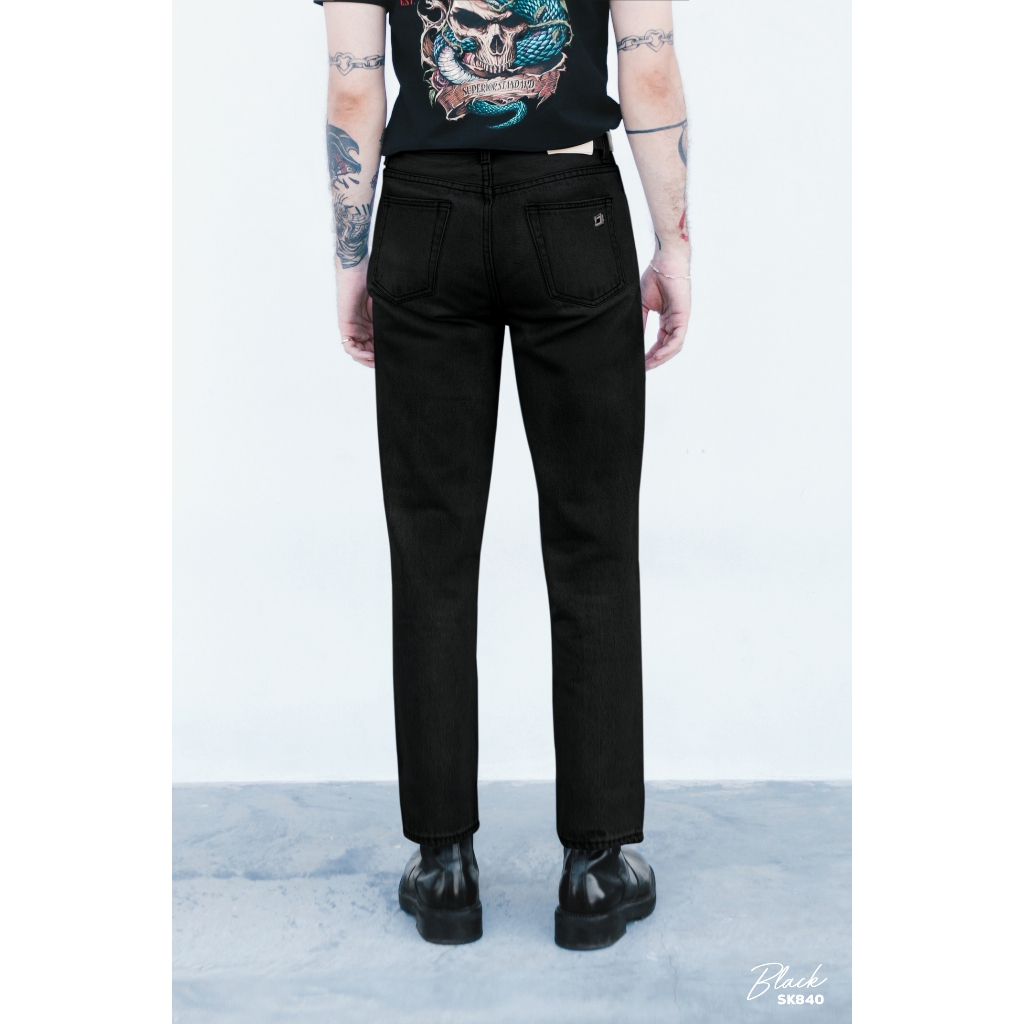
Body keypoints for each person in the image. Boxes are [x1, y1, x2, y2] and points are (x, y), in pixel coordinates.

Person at [315, 0, 690, 949]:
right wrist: (675, 243)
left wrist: (352, 260)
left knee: (431, 550)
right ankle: (596, 868)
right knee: (594, 542)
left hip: (422, 216)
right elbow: (648, 72)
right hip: (572, 207)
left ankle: (444, 865)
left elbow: (355, 91)